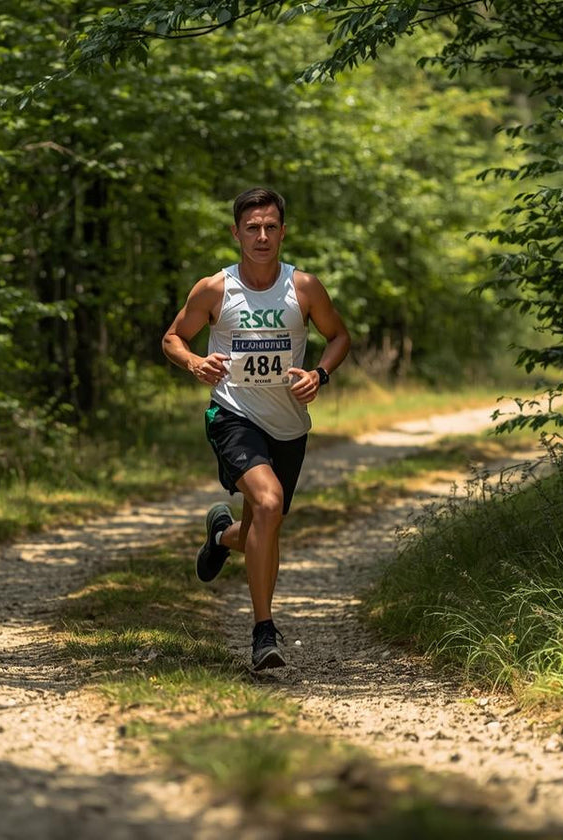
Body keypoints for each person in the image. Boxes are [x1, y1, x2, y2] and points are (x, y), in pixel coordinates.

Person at [162, 187, 351, 670]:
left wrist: (319, 374)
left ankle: (222, 535)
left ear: (283, 232)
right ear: (236, 233)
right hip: (233, 415)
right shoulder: (215, 290)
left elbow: (339, 337)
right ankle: (263, 632)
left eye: (270, 227)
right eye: (252, 227)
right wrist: (195, 363)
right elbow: (173, 338)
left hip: (289, 425)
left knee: (262, 527)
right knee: (267, 503)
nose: (262, 236)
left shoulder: (304, 288)